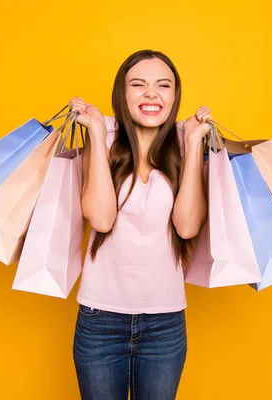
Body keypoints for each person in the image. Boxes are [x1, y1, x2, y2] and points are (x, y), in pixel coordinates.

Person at [69, 49, 212, 400]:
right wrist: (98, 131)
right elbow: (101, 218)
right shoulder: (101, 139)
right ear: (122, 94)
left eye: (163, 85)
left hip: (165, 323)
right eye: (139, 84)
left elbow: (188, 227)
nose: (152, 93)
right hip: (100, 320)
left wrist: (194, 144)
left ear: (174, 96)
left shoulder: (184, 144)